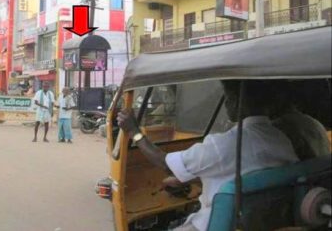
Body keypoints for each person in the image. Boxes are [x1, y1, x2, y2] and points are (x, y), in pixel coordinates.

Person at [117, 80, 299, 231]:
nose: (227, 104)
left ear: (236, 101)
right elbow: (245, 170)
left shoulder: (223, 145)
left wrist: (135, 131)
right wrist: (196, 180)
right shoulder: (281, 139)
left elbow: (166, 164)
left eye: (227, 98)